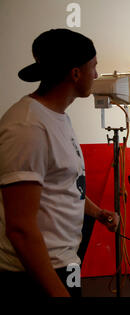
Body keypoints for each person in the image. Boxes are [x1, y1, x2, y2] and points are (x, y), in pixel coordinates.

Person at [0, 28, 119, 297]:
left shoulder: (58, 116)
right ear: (75, 73)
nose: (97, 75)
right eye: (94, 67)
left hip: (67, 262)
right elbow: (20, 228)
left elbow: (66, 185)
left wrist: (98, 213)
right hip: (36, 274)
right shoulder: (28, 126)